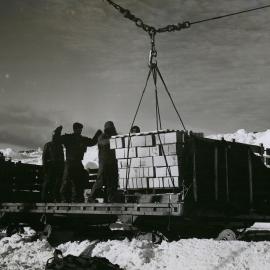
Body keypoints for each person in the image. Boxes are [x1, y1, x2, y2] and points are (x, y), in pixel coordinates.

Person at [54, 123, 102, 203]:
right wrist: (58, 131)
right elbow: (57, 139)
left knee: (78, 181)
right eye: (79, 129)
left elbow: (92, 142)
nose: (80, 130)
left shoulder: (81, 139)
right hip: (70, 163)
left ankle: (75, 199)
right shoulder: (68, 137)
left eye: (81, 129)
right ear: (75, 129)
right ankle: (63, 199)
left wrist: (98, 133)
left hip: (77, 163)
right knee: (66, 181)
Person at [88, 121, 118, 203]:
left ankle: (111, 199)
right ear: (106, 129)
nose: (111, 129)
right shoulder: (102, 136)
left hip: (113, 162)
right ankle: (91, 197)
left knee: (112, 181)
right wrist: (114, 140)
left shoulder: (115, 137)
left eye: (112, 127)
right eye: (110, 128)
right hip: (104, 162)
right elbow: (103, 142)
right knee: (100, 180)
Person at [41, 130, 64, 202]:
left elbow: (62, 158)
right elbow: (44, 157)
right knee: (47, 183)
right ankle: (44, 199)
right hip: (50, 167)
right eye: (55, 136)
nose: (55, 137)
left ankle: (55, 198)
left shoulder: (60, 146)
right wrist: (45, 168)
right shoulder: (48, 145)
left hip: (58, 168)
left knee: (57, 184)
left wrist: (62, 168)